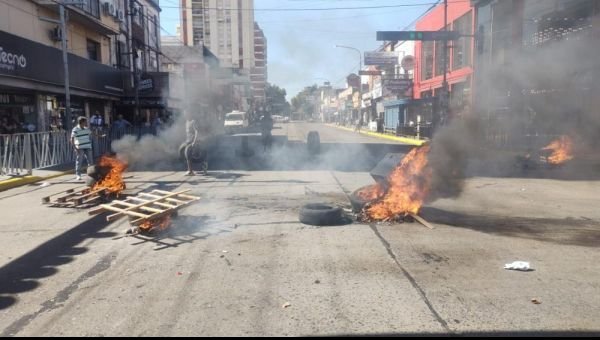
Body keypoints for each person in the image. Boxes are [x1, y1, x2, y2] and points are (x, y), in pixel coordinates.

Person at [71, 116, 94, 181]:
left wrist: (100, 136)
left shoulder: (86, 128)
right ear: (81, 122)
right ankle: (78, 175)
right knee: (79, 161)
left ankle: (91, 174)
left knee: (90, 161)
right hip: (80, 147)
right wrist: (75, 148)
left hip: (87, 146)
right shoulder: (75, 129)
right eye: (85, 122)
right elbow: (72, 139)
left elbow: (92, 134)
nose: (86, 123)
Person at [178, 111, 198, 176]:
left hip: (192, 141)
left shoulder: (193, 122)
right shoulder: (186, 122)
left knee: (187, 154)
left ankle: (190, 171)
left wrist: (194, 142)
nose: (186, 116)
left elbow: (196, 132)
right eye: (185, 114)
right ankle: (190, 169)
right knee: (184, 153)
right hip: (187, 140)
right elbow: (187, 133)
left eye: (187, 114)